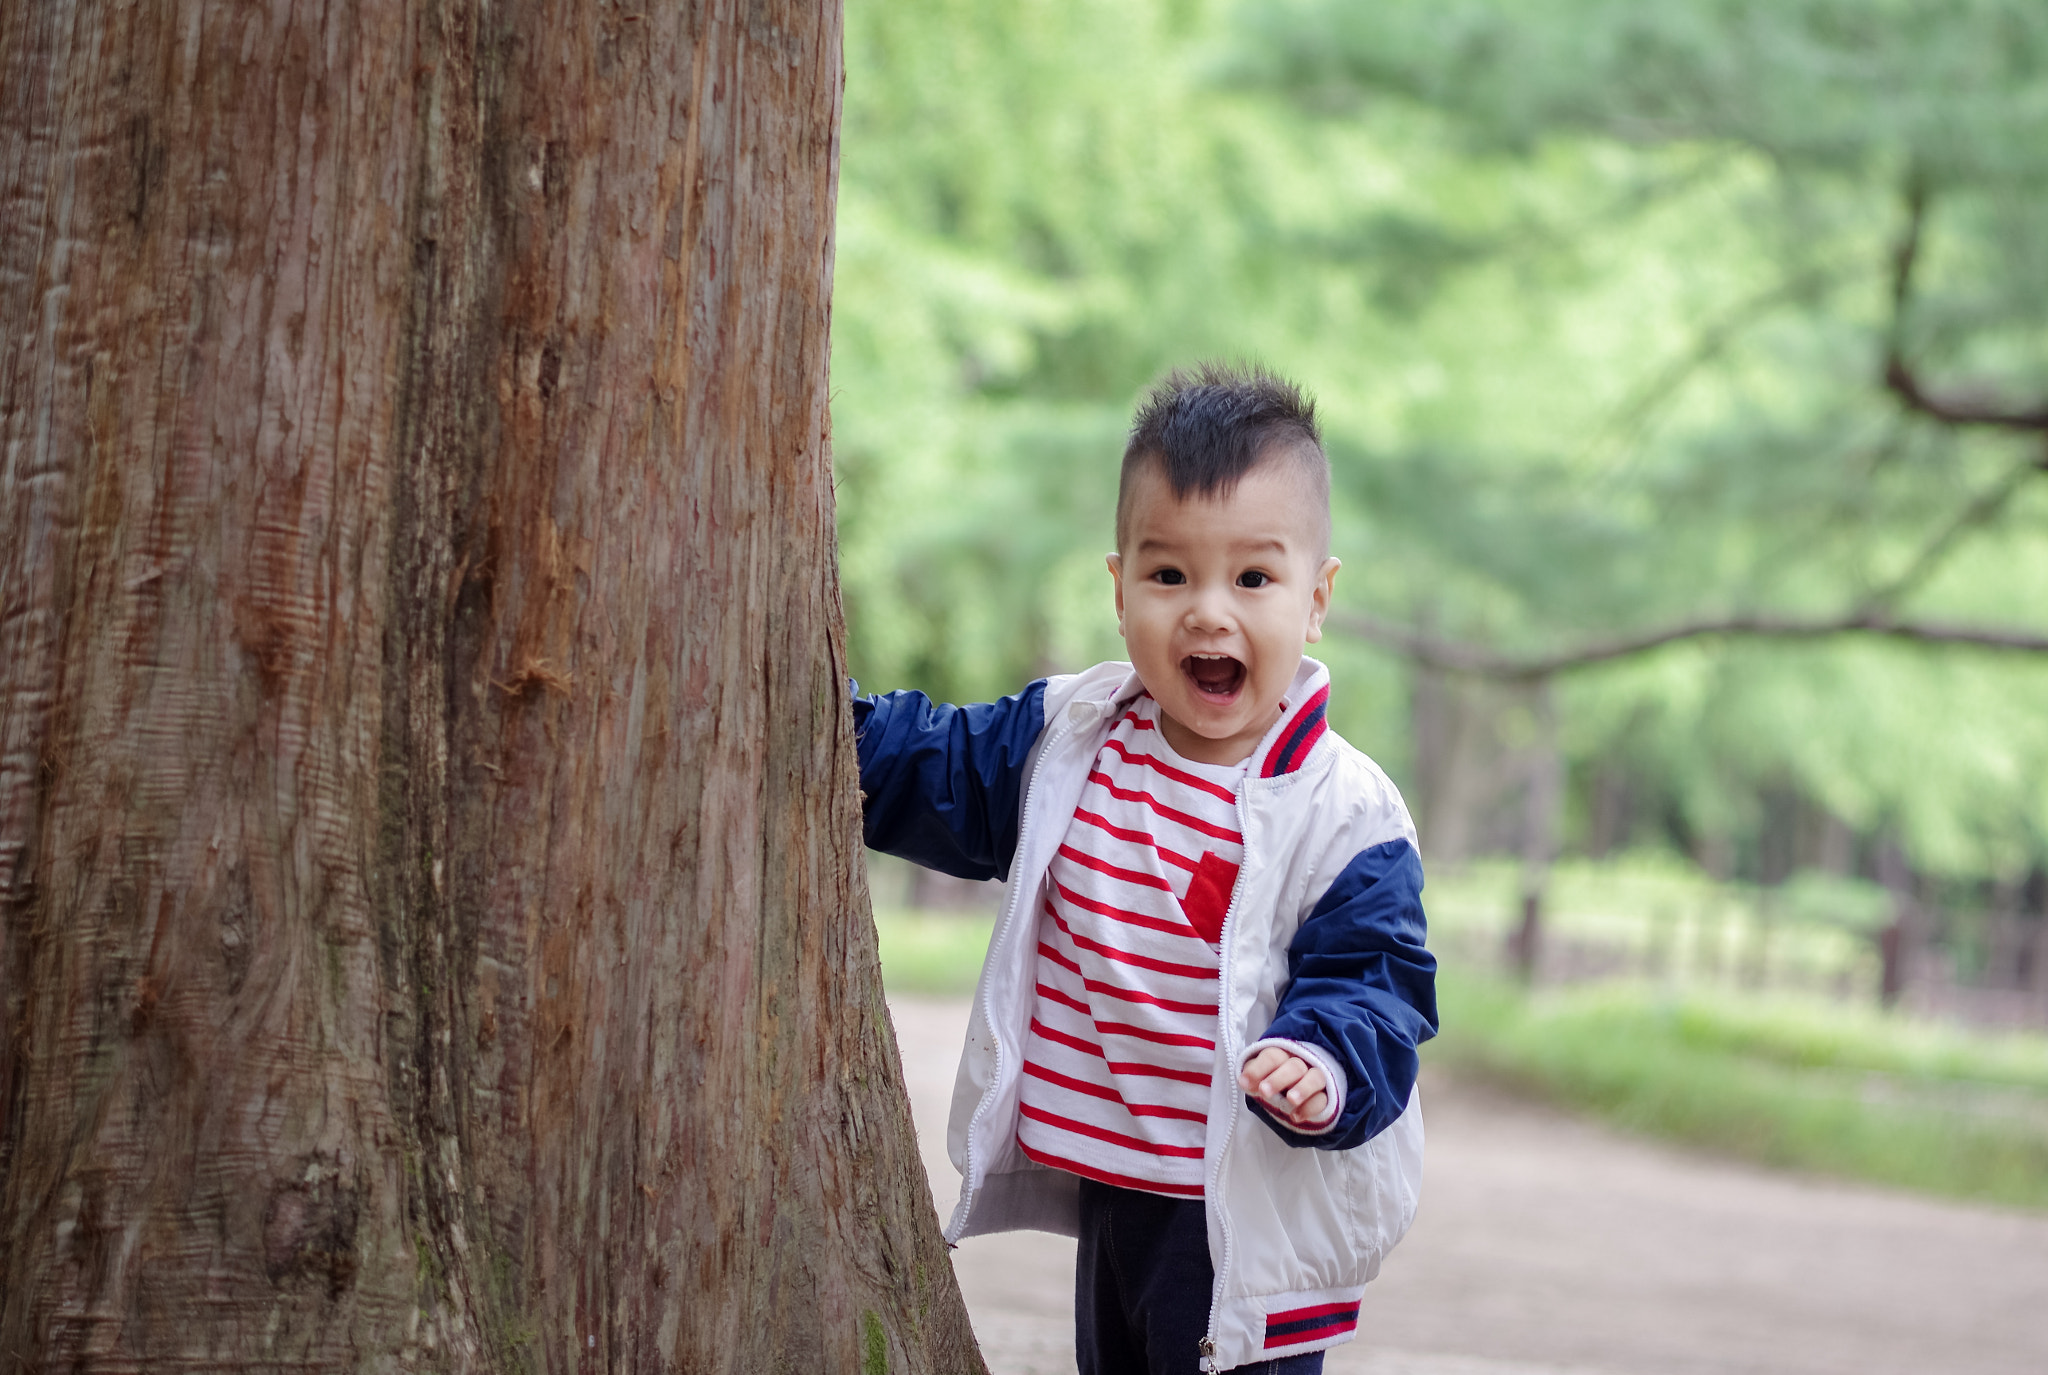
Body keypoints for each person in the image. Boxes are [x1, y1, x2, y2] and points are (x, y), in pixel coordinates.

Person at [853, 363, 1438, 1374]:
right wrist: (827, 721)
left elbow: (1376, 981)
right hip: (1117, 1195)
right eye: (1170, 576)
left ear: (1315, 598)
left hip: (1247, 1223)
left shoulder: (1341, 811)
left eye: (1252, 578)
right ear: (1119, 589)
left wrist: (1325, 1058)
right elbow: (934, 767)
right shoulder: (1069, 742)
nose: (1208, 613)